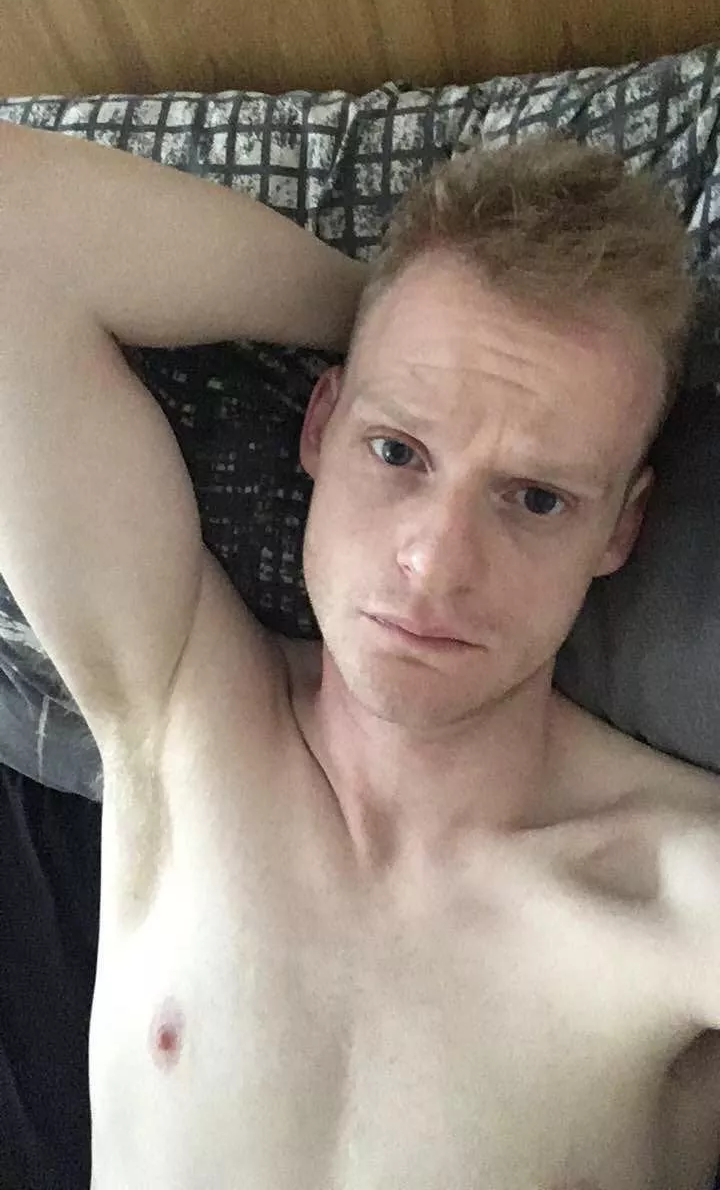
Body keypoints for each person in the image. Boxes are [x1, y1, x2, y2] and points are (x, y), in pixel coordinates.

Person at [1, 119, 719, 1190]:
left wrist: (413, 371)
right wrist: (386, 314)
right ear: (321, 424)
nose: (436, 563)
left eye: (535, 498)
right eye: (397, 449)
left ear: (620, 528)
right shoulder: (183, 708)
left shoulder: (674, 891)